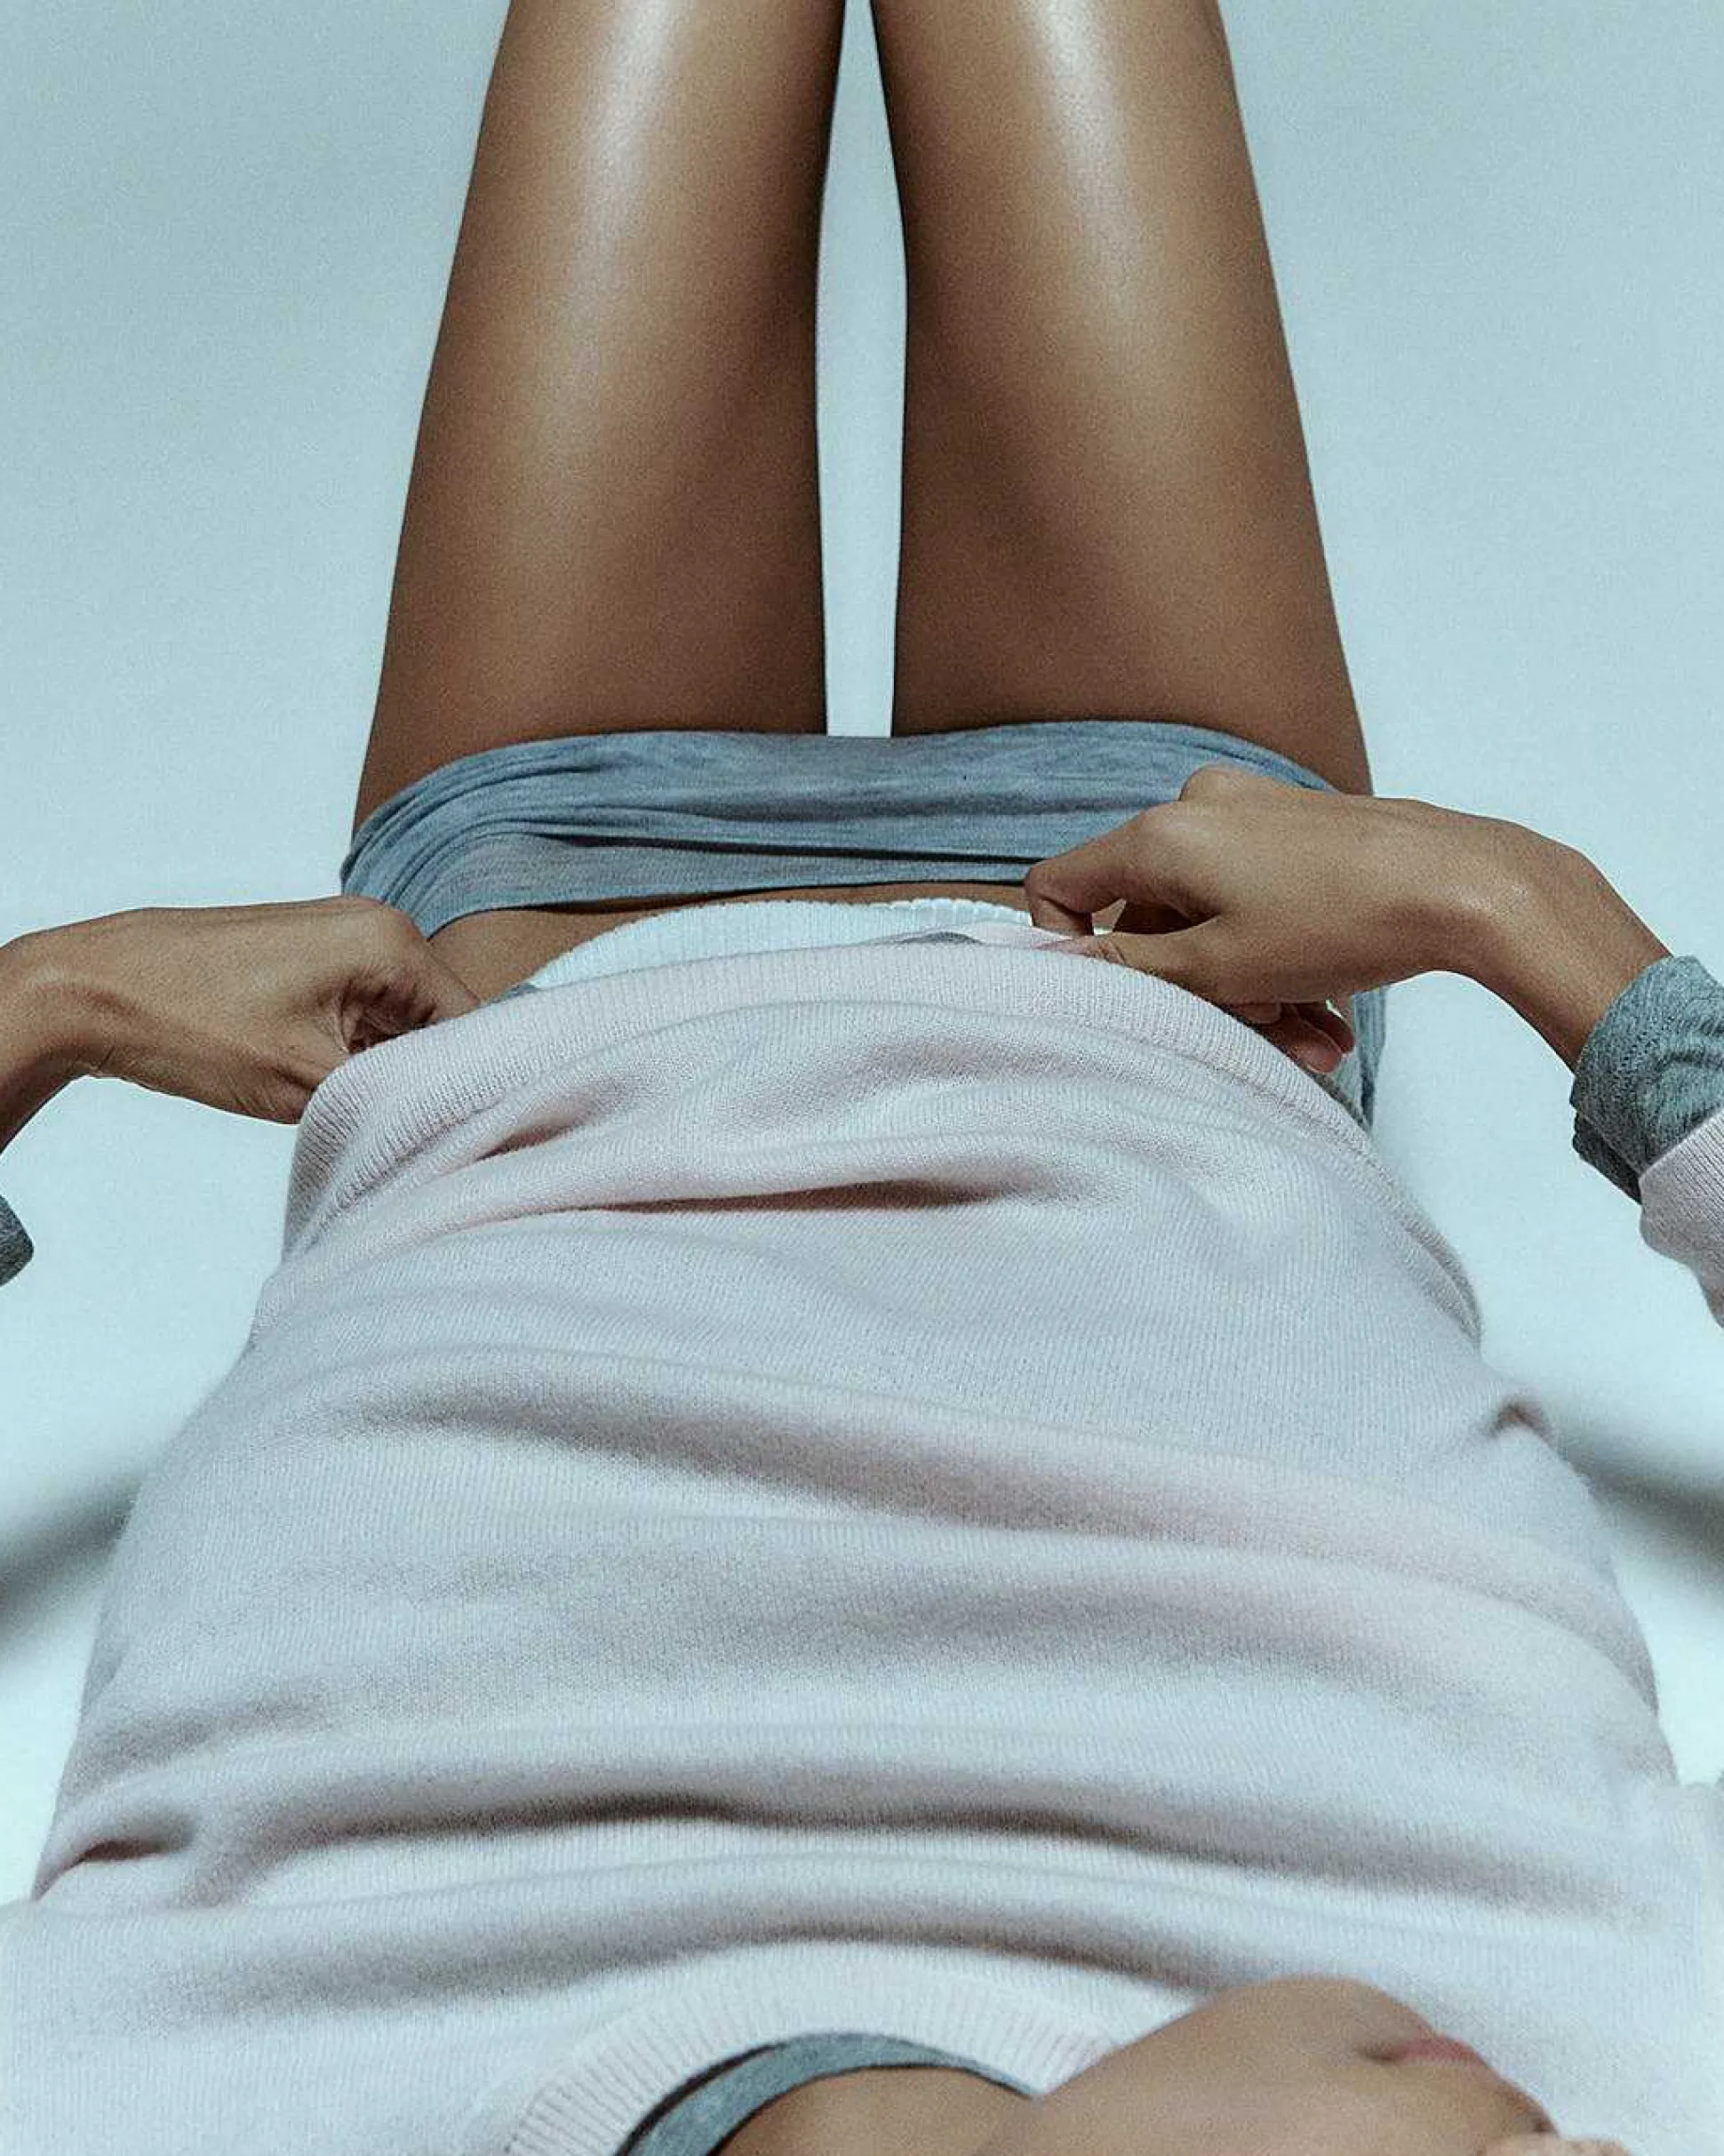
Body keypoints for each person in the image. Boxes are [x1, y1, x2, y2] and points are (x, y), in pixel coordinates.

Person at [1, 1, 1716, 2152]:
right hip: (1171, 951)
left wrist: (49, 1005)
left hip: (531, 972)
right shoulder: (1635, 2031)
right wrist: (1518, 913)